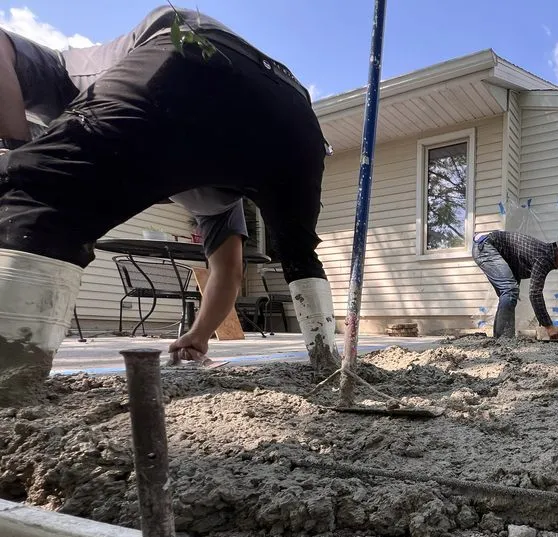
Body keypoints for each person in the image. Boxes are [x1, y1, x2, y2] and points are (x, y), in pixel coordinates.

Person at [0, 5, 341, 401]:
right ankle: (329, 361)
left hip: (192, 52)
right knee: (300, 254)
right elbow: (228, 271)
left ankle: (9, 388)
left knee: (37, 197)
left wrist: (17, 151)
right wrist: (199, 335)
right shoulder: (215, 190)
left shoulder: (65, 73)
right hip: (295, 116)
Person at [472, 230, 558, 340]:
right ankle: (504, 339)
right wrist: (549, 327)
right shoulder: (544, 258)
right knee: (510, 291)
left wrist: (514, 291)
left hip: (486, 247)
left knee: (510, 293)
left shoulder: (542, 252)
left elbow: (515, 265)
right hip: (486, 247)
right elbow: (535, 294)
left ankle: (500, 338)